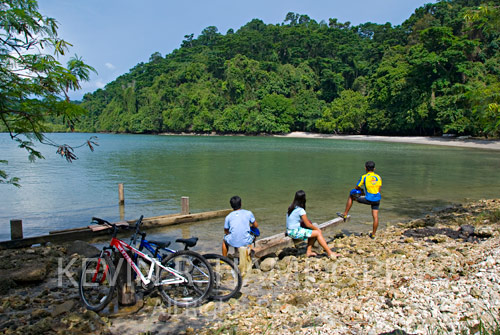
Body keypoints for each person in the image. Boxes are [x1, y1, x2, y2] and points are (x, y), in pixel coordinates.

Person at [286, 190, 340, 258]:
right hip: (294, 232)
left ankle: (308, 252)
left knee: (313, 232)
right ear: (303, 199)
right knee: (317, 233)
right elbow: (308, 224)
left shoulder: (291, 207)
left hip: (289, 231)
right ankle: (330, 253)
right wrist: (317, 229)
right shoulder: (300, 210)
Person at [338, 160, 382, 238]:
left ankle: (345, 214)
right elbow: (379, 190)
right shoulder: (378, 177)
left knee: (351, 194)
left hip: (369, 199)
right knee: (375, 216)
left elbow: (356, 187)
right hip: (377, 199)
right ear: (374, 169)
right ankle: (373, 234)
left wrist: (361, 191)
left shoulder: (364, 177)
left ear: (365, 168)